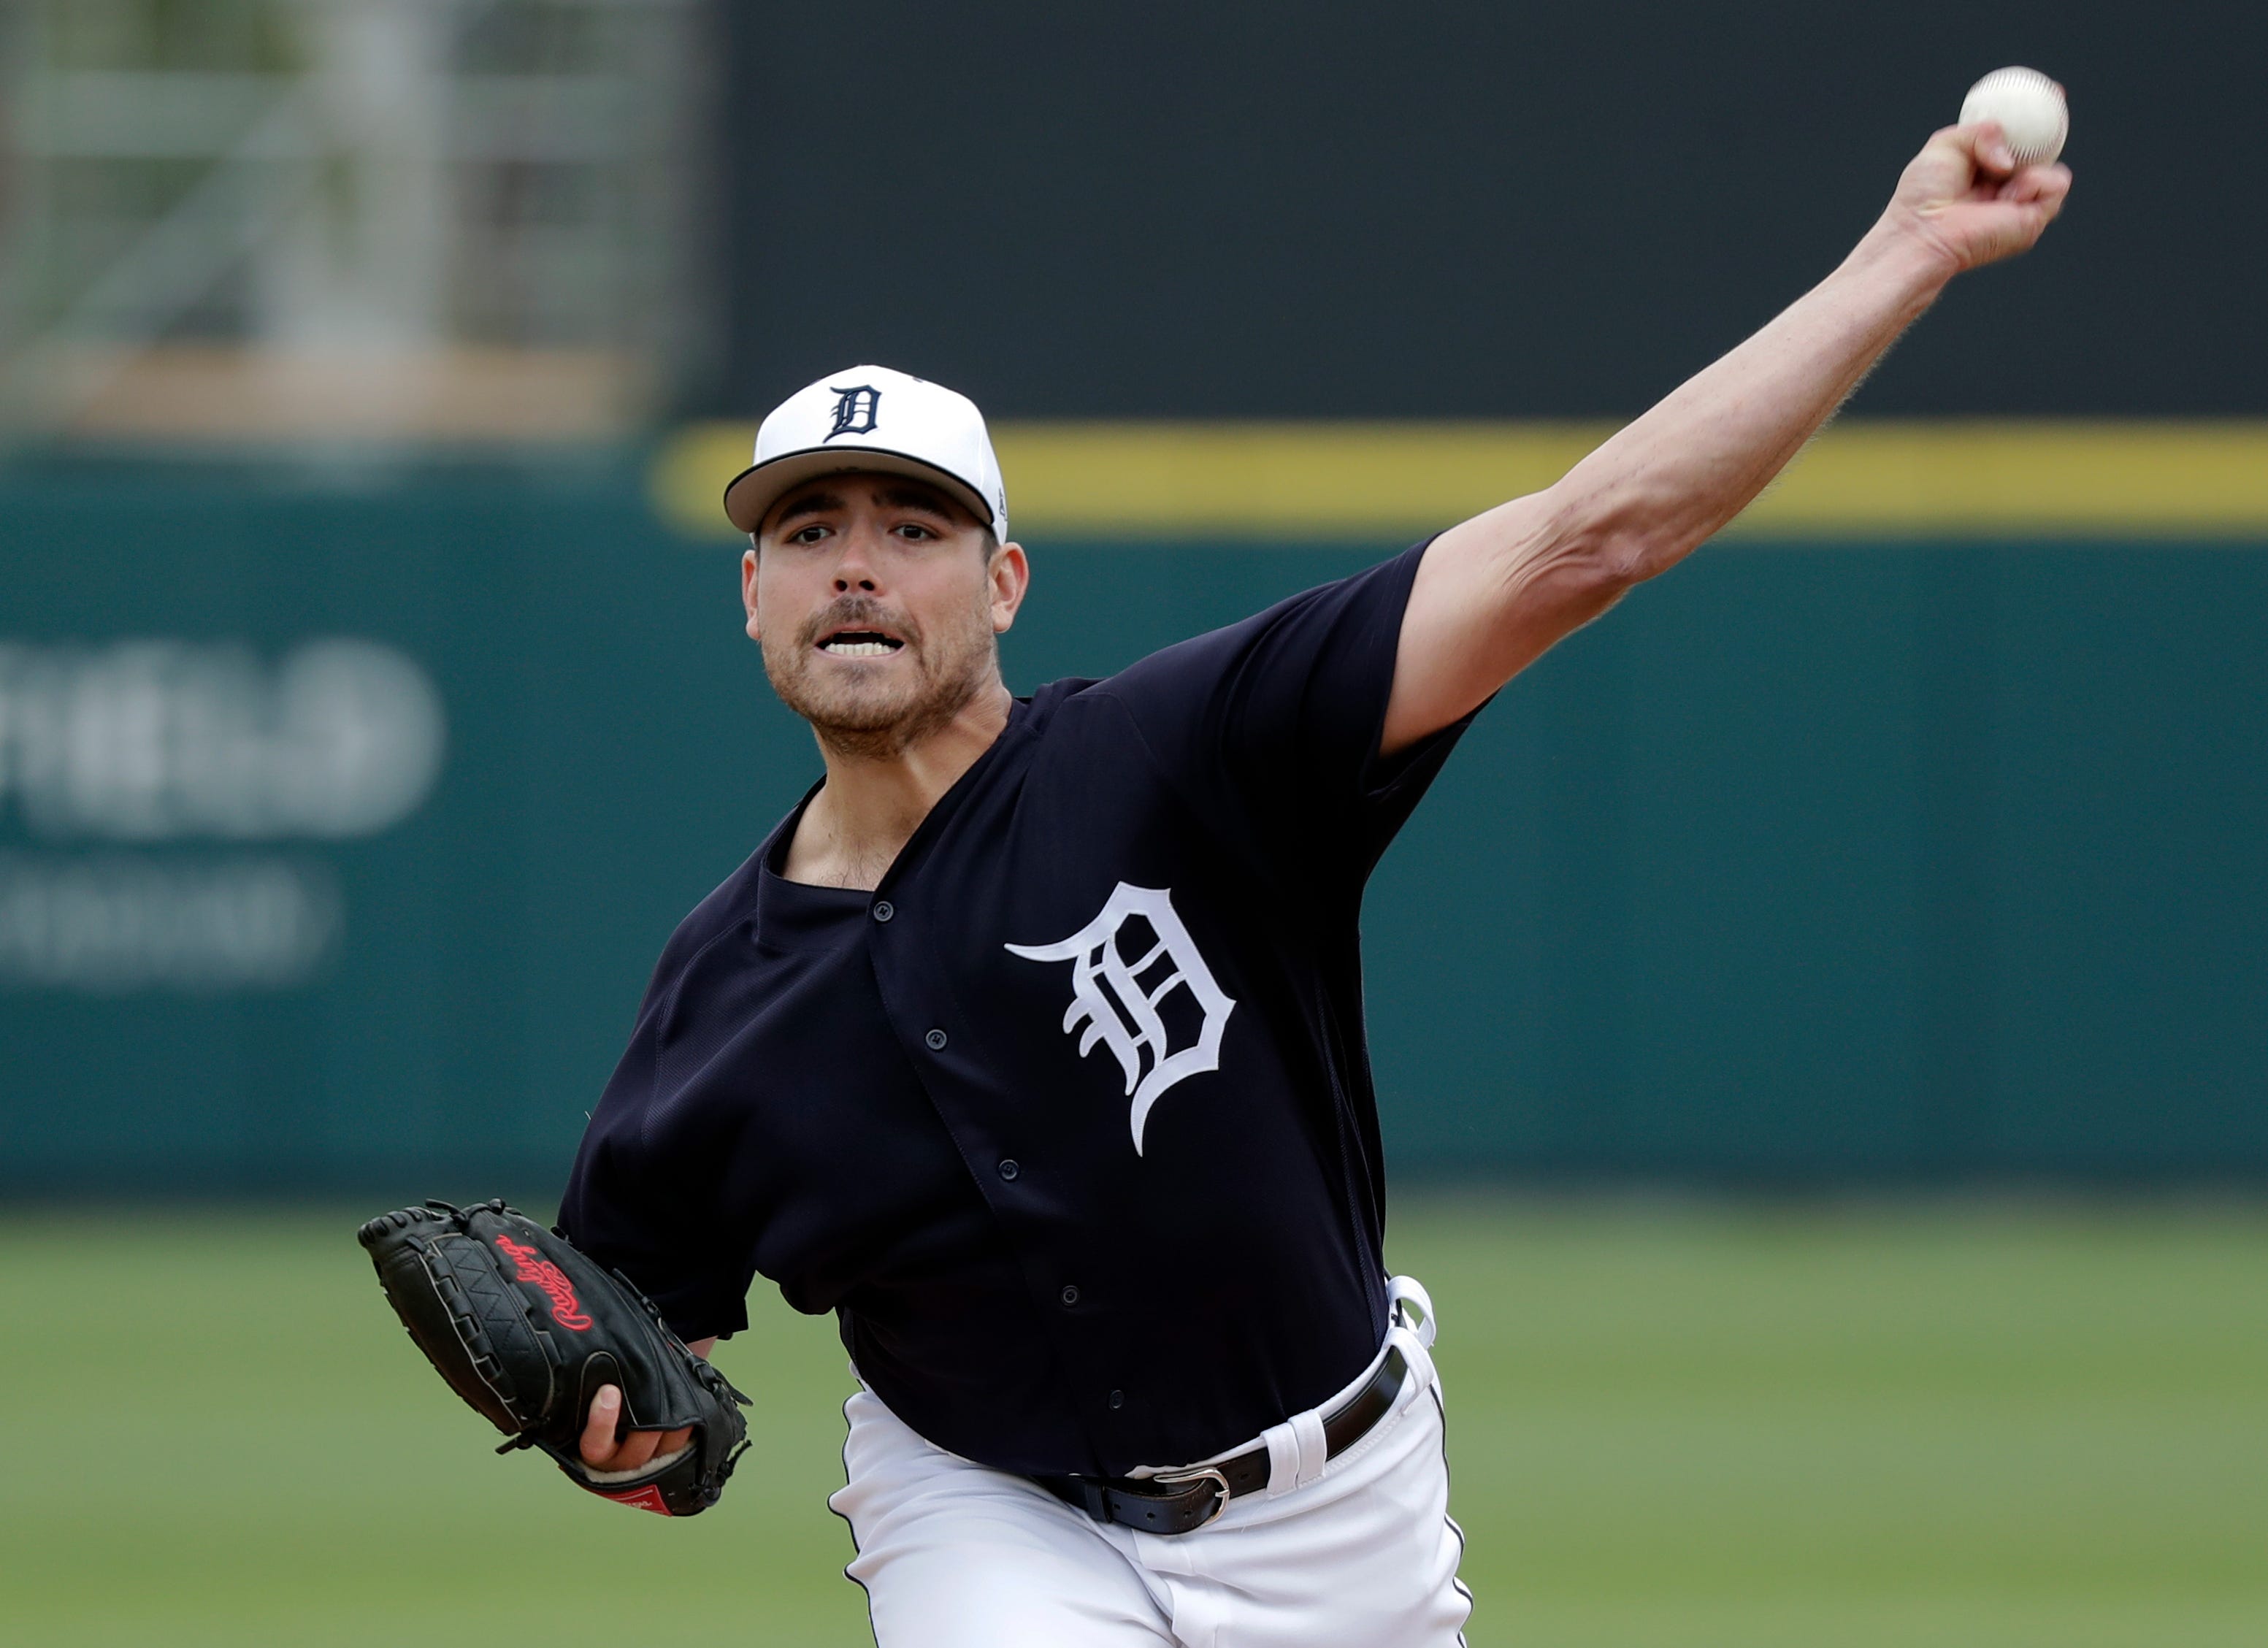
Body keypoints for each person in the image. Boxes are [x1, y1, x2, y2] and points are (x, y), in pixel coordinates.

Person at [556, 121, 2068, 1644]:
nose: (857, 567)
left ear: (1002, 580)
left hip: (1334, 1509)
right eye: (808, 531)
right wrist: (617, 1432)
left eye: (914, 527)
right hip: (980, 1503)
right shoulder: (718, 991)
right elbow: (635, 1352)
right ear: (754, 594)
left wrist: (1907, 254)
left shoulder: (1184, 753)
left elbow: (1584, 541)